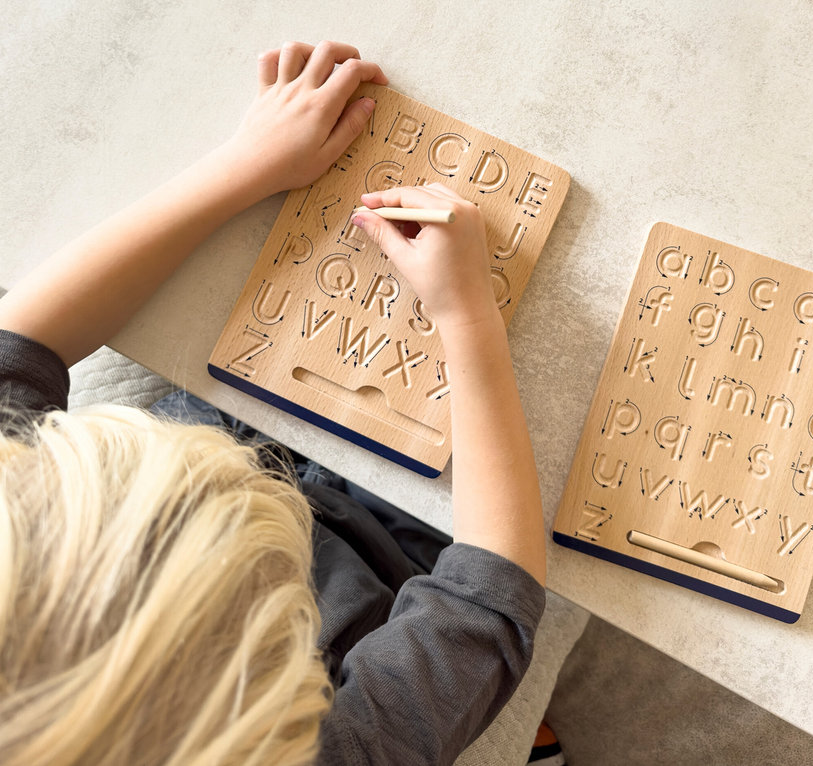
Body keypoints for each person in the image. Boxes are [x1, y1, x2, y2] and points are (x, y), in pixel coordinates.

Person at [0, 41, 546, 765]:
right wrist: (468, 316)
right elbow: (490, 600)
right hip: (406, 538)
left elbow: (19, 341)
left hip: (226, 417)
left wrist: (244, 166)